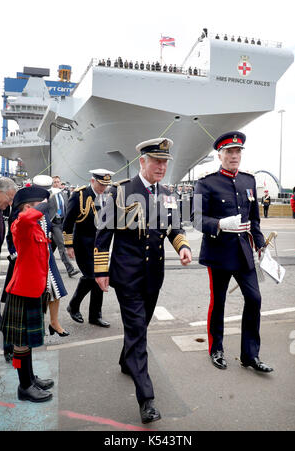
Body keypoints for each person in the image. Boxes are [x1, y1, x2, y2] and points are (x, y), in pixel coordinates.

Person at [94, 138, 192, 424]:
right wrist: (101, 271)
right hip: (126, 275)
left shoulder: (168, 193)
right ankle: (146, 399)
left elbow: (174, 226)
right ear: (142, 162)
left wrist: (182, 246)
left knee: (141, 324)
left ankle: (127, 361)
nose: (162, 167)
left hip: (154, 276)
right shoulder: (120, 192)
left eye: (165, 162)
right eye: (156, 161)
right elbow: (103, 236)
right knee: (138, 332)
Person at [192, 131, 273, 373]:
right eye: (229, 152)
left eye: (237, 152)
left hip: (244, 251)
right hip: (219, 251)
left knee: (255, 298)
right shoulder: (206, 182)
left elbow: (255, 219)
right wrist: (218, 224)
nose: (234, 156)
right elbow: (196, 219)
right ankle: (216, 349)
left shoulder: (249, 181)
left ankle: (250, 355)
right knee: (219, 302)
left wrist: (260, 244)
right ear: (220, 155)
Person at [0, 186, 54, 402]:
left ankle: (30, 378)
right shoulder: (21, 225)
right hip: (22, 291)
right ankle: (24, 386)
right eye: (38, 205)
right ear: (27, 207)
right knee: (20, 344)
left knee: (27, 342)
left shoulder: (37, 227)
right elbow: (23, 220)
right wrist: (41, 206)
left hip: (34, 290)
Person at [63, 169, 114, 327]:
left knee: (100, 277)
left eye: (105, 185)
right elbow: (68, 221)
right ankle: (73, 305)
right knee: (91, 276)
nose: (103, 188)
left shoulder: (108, 196)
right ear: (93, 181)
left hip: (100, 244)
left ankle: (95, 315)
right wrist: (68, 245)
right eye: (100, 184)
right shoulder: (79, 195)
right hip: (83, 244)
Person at [33, 175, 69, 337]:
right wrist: (14, 252)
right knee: (36, 291)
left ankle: (54, 322)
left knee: (57, 289)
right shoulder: (25, 204)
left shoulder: (46, 203)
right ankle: (37, 324)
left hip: (46, 253)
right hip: (32, 254)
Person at [0, 177, 17, 362]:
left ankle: (9, 349)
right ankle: (9, 349)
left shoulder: (2, 210)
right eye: (9, 198)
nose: (10, 203)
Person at [49, 176, 79, 278]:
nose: (56, 184)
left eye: (58, 182)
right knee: (62, 245)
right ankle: (70, 269)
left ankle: (44, 264)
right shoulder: (49, 195)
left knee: (50, 248)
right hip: (54, 223)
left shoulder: (63, 194)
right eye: (54, 182)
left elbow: (66, 208)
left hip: (63, 222)